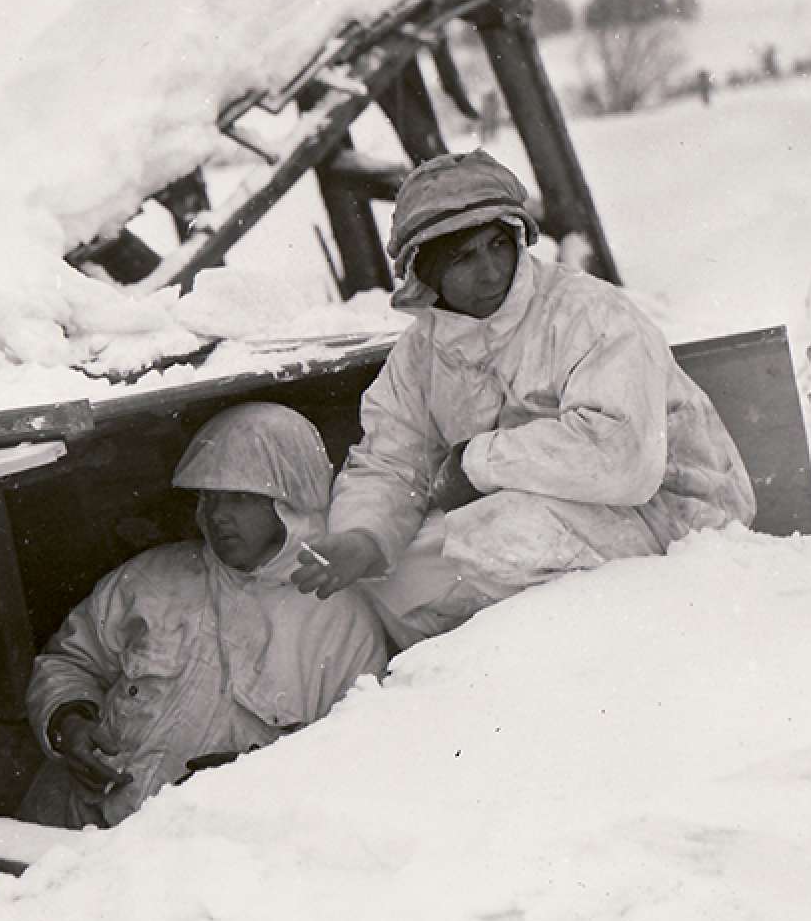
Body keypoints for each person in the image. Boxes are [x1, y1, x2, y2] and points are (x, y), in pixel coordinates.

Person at [292, 148, 755, 647]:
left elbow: (622, 460)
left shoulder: (588, 313)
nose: (491, 271)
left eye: (498, 243)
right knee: (395, 572)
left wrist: (476, 461)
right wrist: (364, 535)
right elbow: (392, 461)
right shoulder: (422, 352)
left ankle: (583, 655)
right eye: (464, 257)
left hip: (674, 520)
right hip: (548, 518)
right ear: (425, 271)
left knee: (497, 531)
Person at [22, 403, 387, 829]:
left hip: (210, 855)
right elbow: (69, 662)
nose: (217, 516)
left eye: (241, 498)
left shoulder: (341, 623)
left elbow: (354, 758)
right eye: (208, 497)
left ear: (291, 503)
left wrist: (255, 774)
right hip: (69, 830)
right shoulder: (151, 578)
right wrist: (70, 723)